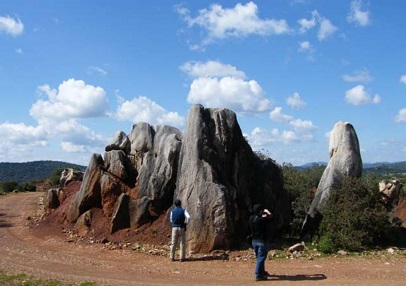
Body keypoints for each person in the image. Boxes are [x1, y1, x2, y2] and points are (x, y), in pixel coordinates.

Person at [249, 203, 273, 281]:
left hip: (254, 241)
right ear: (260, 211)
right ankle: (258, 274)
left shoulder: (251, 218)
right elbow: (271, 218)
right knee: (261, 258)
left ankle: (262, 271)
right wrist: (268, 213)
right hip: (262, 241)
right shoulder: (261, 220)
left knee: (259, 257)